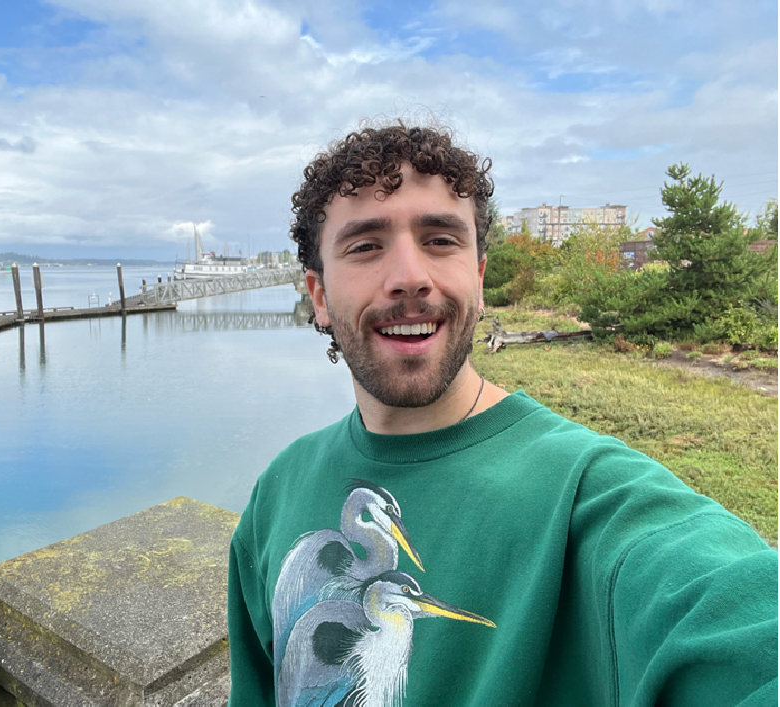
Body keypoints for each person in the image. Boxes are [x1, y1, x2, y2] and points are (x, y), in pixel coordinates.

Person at [227, 121, 778, 706]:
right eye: (365, 246)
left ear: (480, 277)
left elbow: (736, 615)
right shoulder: (276, 495)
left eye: (441, 240)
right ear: (318, 296)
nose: (410, 277)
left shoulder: (587, 495)